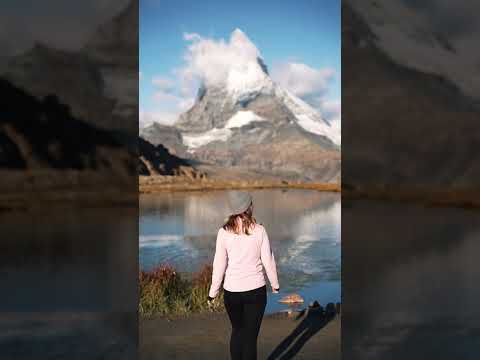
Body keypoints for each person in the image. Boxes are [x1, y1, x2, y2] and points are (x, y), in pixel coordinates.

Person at [207, 191, 280, 360]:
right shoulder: (260, 230)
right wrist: (275, 285)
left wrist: (213, 293)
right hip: (256, 292)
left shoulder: (223, 232)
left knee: (237, 331)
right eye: (251, 203)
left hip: (232, 293)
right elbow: (268, 260)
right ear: (248, 207)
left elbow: (219, 265)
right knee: (250, 338)